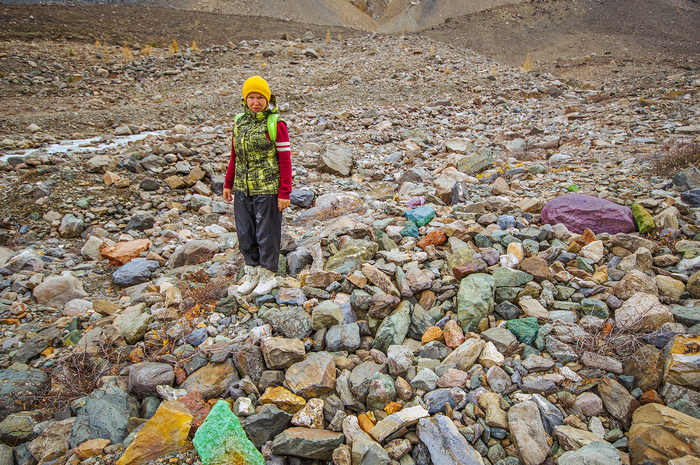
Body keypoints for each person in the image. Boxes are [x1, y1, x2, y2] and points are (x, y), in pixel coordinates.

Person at [223, 76, 292, 296]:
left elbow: (285, 160)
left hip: (268, 189)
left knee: (267, 234)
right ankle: (251, 273)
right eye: (251, 97)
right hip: (242, 189)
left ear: (267, 99)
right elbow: (235, 156)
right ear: (245, 99)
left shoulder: (276, 124)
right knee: (245, 233)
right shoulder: (239, 122)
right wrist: (228, 183)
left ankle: (268, 275)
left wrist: (284, 192)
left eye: (260, 97)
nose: (255, 102)